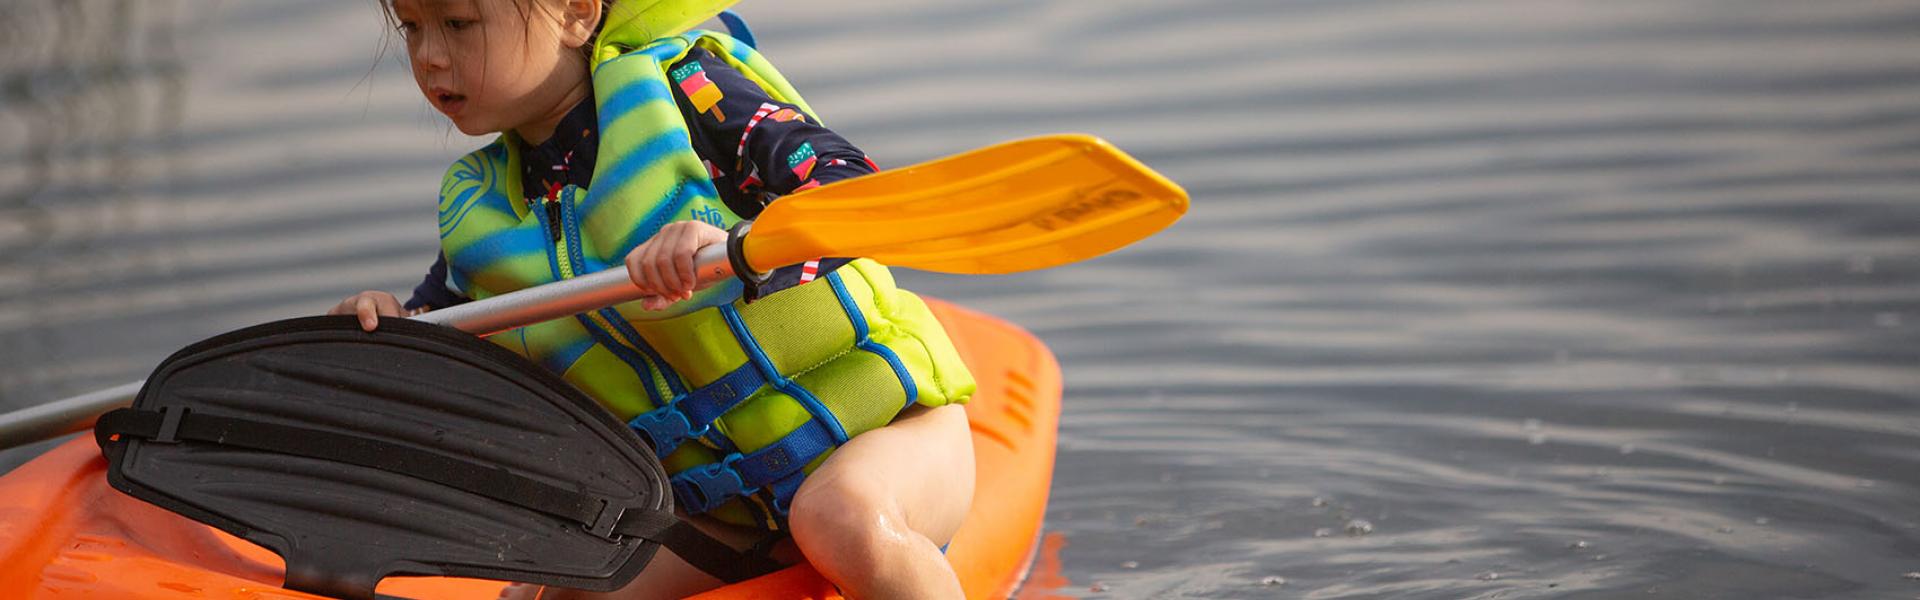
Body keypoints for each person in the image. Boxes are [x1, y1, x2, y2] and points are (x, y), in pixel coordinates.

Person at [325, 1, 978, 598]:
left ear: (578, 13)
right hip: (725, 505)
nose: (429, 56)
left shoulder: (693, 91)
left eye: (459, 24)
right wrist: (391, 325)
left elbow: (854, 190)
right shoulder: (485, 205)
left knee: (839, 517)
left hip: (889, 428)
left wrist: (740, 242)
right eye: (412, 28)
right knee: (560, 595)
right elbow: (443, 337)